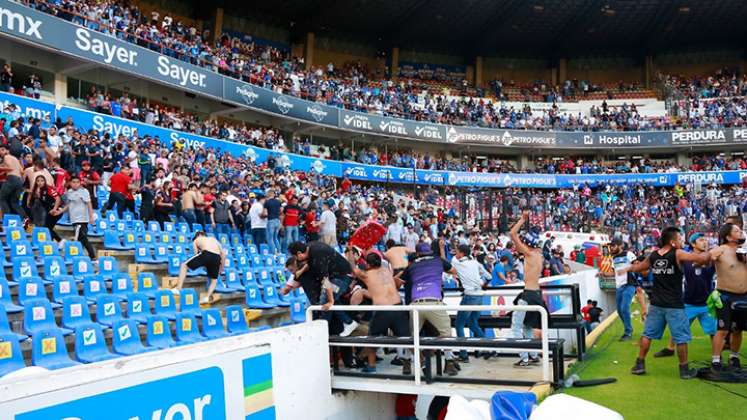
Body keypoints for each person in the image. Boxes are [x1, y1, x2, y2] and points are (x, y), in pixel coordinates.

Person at [622, 226, 710, 379]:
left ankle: (639, 364)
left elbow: (641, 267)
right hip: (674, 305)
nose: (682, 241)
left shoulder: (654, 255)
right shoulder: (678, 253)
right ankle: (684, 370)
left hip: (656, 303)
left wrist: (627, 268)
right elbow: (701, 258)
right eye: (680, 238)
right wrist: (711, 252)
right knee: (681, 338)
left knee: (647, 334)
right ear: (673, 241)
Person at [399, 242, 460, 376]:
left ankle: (407, 362)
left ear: (417, 253)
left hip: (415, 304)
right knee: (446, 334)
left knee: (411, 337)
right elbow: (454, 271)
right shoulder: (438, 261)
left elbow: (398, 282)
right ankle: (448, 361)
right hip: (434, 303)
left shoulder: (412, 266)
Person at [347, 250, 411, 374]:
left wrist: (350, 252)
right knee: (408, 339)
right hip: (398, 307)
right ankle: (423, 363)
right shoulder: (387, 271)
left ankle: (371, 366)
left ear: (367, 264)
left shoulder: (367, 275)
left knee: (372, 338)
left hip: (383, 309)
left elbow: (353, 268)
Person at [653, 232, 717, 358]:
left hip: (706, 302)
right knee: (678, 327)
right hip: (688, 302)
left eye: (705, 240)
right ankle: (670, 348)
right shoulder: (684, 259)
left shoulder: (711, 259)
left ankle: (716, 357)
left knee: (713, 332)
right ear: (693, 244)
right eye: (701, 240)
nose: (705, 242)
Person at [287, 241, 359, 336]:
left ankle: (321, 332)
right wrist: (300, 272)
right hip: (337, 277)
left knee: (325, 301)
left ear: (299, 254)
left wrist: (330, 301)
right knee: (331, 299)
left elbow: (326, 281)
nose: (297, 260)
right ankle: (349, 322)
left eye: (296, 258)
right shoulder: (310, 247)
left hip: (342, 277)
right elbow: (308, 264)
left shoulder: (318, 256)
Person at [508, 210, 547, 368]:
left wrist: (522, 220)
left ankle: (524, 358)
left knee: (516, 327)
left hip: (528, 293)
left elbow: (512, 233)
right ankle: (533, 355)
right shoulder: (540, 256)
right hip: (536, 293)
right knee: (527, 327)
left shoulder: (529, 254)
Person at [708, 223, 747, 371]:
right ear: (728, 236)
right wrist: (708, 257)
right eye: (737, 231)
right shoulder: (720, 250)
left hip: (744, 296)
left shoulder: (743, 250)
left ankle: (734, 356)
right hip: (725, 296)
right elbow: (705, 259)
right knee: (723, 329)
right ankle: (716, 359)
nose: (741, 232)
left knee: (738, 329)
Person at [451, 244, 491, 362]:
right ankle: (489, 348)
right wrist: (483, 285)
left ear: (462, 253)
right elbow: (488, 276)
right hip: (479, 296)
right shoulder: (475, 262)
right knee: (473, 323)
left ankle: (463, 355)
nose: (455, 254)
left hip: (469, 296)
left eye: (457, 252)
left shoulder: (456, 261)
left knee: (459, 324)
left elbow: (446, 263)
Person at [172, 231, 226, 304]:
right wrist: (221, 268)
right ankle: (207, 297)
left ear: (198, 236)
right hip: (217, 257)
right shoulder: (213, 239)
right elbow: (223, 254)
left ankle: (178, 289)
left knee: (183, 265)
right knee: (214, 280)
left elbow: (196, 254)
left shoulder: (196, 240)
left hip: (206, 253)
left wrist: (203, 262)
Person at [610, 238, 647, 341]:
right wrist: (603, 274)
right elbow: (614, 273)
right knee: (619, 310)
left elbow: (636, 265)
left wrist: (629, 268)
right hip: (619, 286)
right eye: (611, 246)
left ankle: (628, 332)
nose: (611, 248)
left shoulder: (628, 254)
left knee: (624, 308)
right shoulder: (614, 258)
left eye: (613, 246)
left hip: (629, 284)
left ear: (620, 245)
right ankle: (628, 329)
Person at [55, 176, 96, 260]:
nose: (75, 184)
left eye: (77, 182)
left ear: (80, 183)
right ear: (70, 183)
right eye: (73, 182)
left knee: (80, 238)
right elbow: (68, 205)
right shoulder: (69, 192)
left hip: (82, 219)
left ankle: (92, 256)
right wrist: (60, 211)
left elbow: (89, 204)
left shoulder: (84, 191)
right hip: (74, 219)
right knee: (82, 238)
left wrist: (91, 216)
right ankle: (83, 256)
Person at [26, 175, 61, 241]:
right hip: (50, 212)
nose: (40, 182)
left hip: (56, 211)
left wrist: (54, 209)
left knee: (47, 227)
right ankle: (51, 242)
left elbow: (58, 199)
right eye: (38, 181)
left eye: (42, 181)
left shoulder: (48, 189)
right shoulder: (39, 190)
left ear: (45, 181)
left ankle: (60, 241)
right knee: (47, 228)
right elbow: (31, 193)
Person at [0, 144, 29, 223]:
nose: (1, 152)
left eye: (2, 150)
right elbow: (22, 171)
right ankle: (25, 220)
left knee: (2, 198)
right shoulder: (15, 159)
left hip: (11, 179)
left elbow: (10, 168)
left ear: (7, 151)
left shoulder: (6, 157)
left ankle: (7, 220)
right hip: (19, 180)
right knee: (15, 203)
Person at [263, 189, 282, 254]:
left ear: (269, 194)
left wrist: (261, 215)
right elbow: (281, 211)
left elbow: (265, 213)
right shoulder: (278, 202)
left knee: (270, 239)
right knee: (275, 238)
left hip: (271, 221)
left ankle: (274, 253)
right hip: (277, 221)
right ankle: (279, 252)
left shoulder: (267, 202)